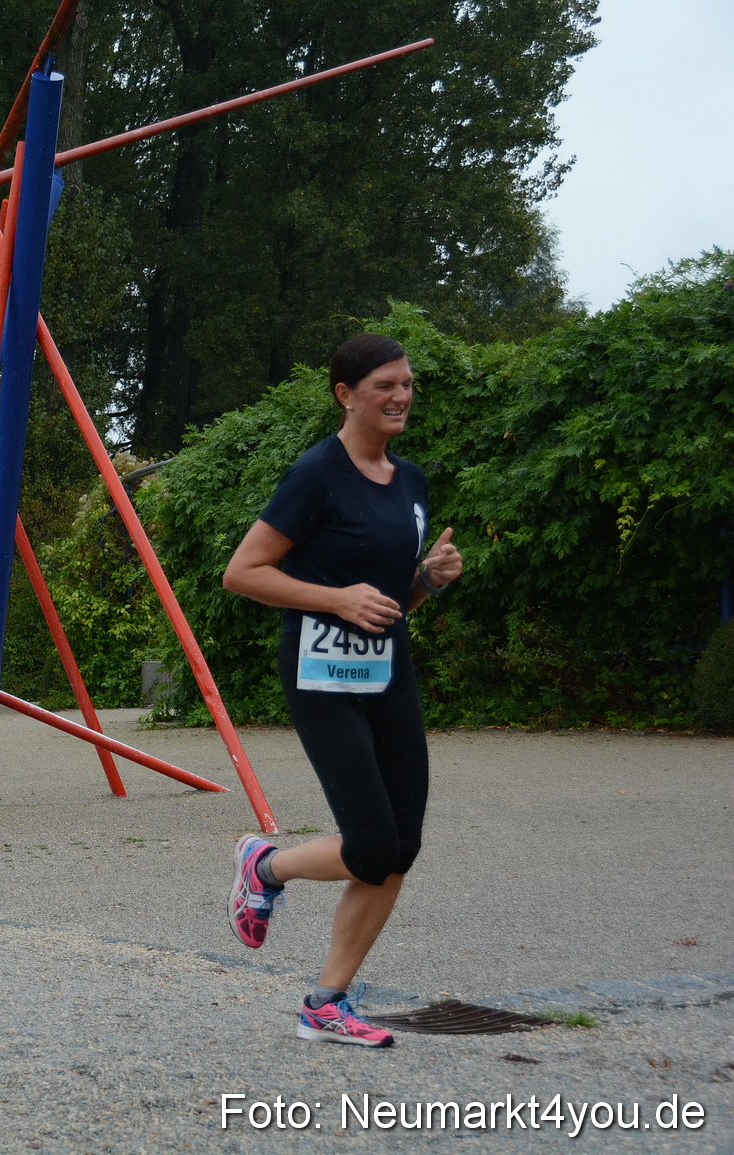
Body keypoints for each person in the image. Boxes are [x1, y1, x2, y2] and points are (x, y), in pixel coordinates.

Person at [222, 333, 462, 1047]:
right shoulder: (316, 474)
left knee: (402, 845)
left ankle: (327, 1001)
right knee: (369, 843)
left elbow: (389, 600)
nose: (401, 396)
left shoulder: (411, 481)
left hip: (388, 669)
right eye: (386, 384)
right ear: (345, 394)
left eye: (408, 384)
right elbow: (244, 571)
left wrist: (427, 582)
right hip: (321, 673)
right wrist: (334, 599)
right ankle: (263, 864)